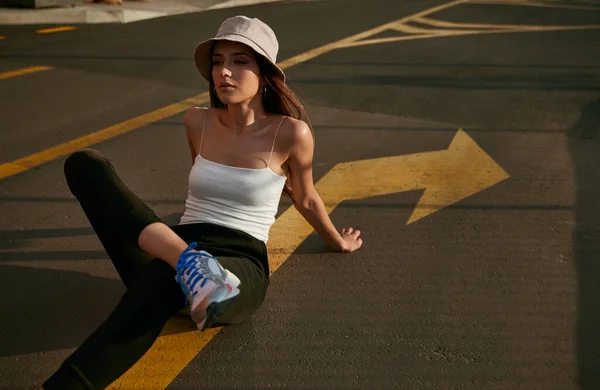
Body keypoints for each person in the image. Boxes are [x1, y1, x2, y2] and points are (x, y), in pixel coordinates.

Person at [41, 15, 363, 390]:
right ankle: (188, 263)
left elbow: (306, 196)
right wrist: (180, 252)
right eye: (218, 61)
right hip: (179, 244)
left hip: (236, 268)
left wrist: (336, 241)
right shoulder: (197, 121)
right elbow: (200, 186)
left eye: (240, 62)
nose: (225, 72)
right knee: (85, 165)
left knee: (162, 280)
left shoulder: (290, 133)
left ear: (264, 75)